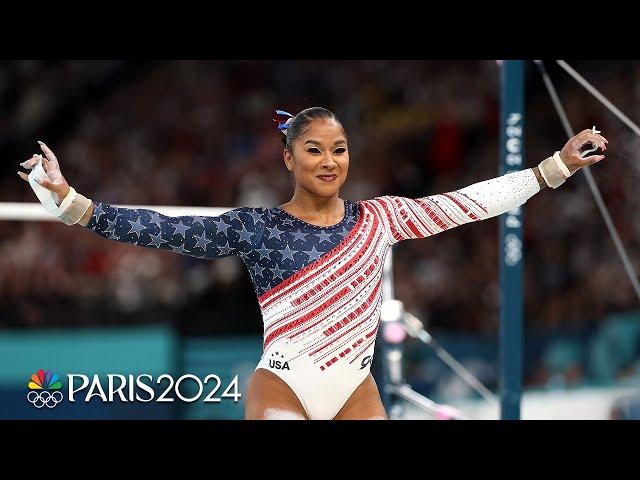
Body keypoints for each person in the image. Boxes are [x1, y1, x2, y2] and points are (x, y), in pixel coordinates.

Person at [17, 107, 608, 420]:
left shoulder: (380, 218)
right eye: (314, 150)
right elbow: (170, 231)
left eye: (340, 149)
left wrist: (554, 166)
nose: (330, 161)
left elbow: (468, 204)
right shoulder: (258, 228)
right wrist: (75, 207)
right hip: (284, 388)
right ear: (287, 158)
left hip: (355, 388)